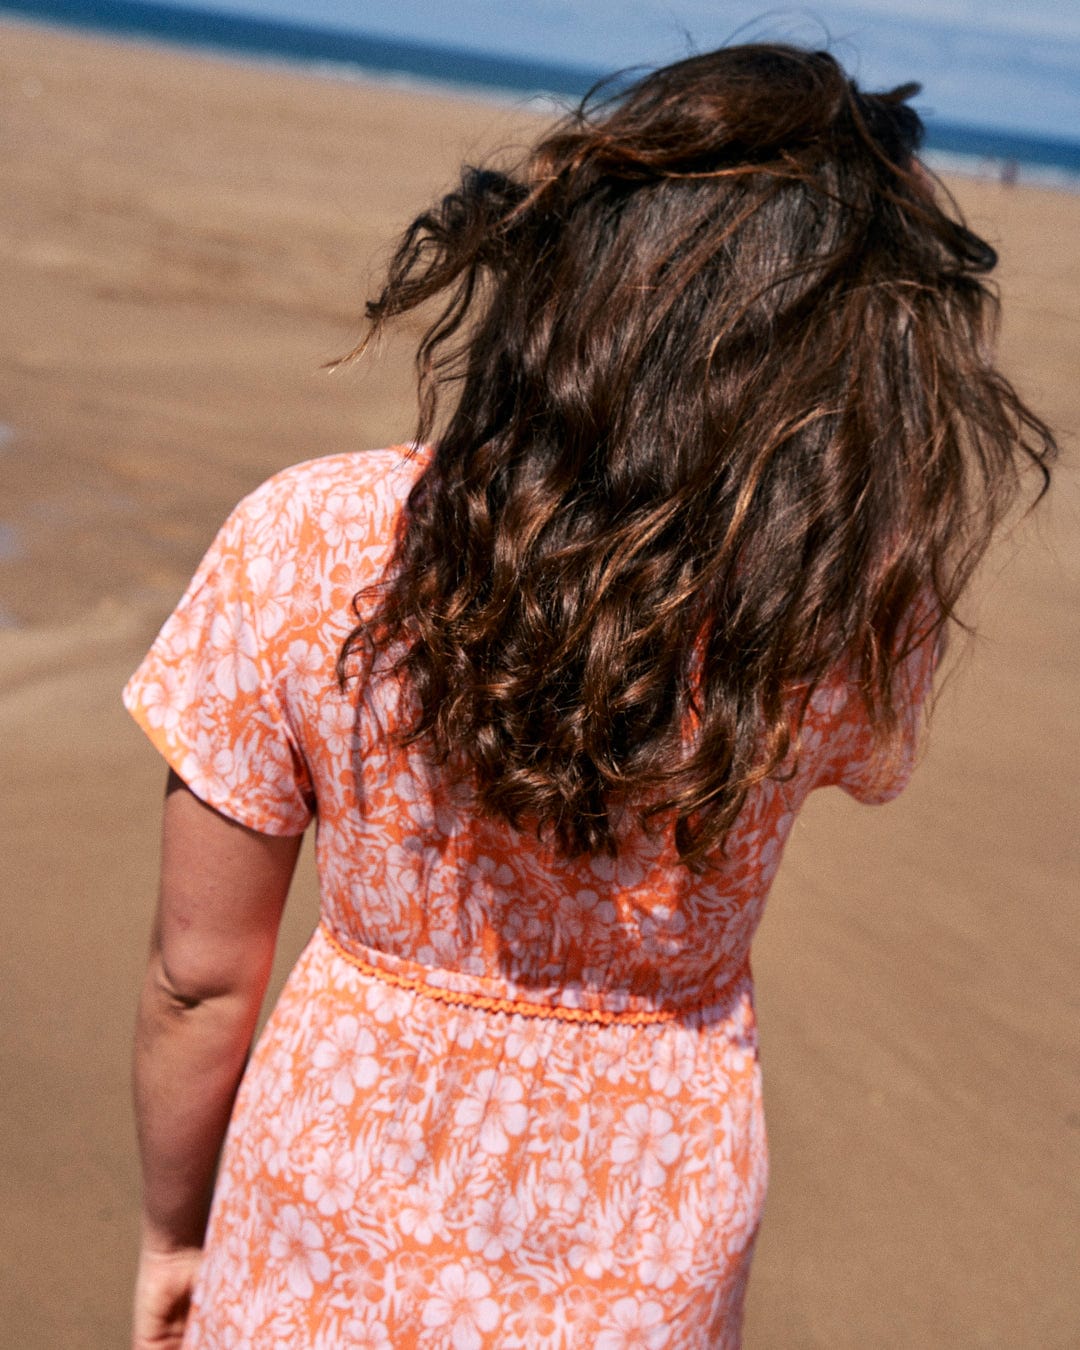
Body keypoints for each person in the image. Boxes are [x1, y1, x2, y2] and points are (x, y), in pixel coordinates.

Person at [125, 43, 1054, 1350]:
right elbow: (878, 753)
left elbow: (195, 978)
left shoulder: (306, 535)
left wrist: (176, 1227)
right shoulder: (828, 611)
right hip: (644, 1234)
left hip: (323, 1211)